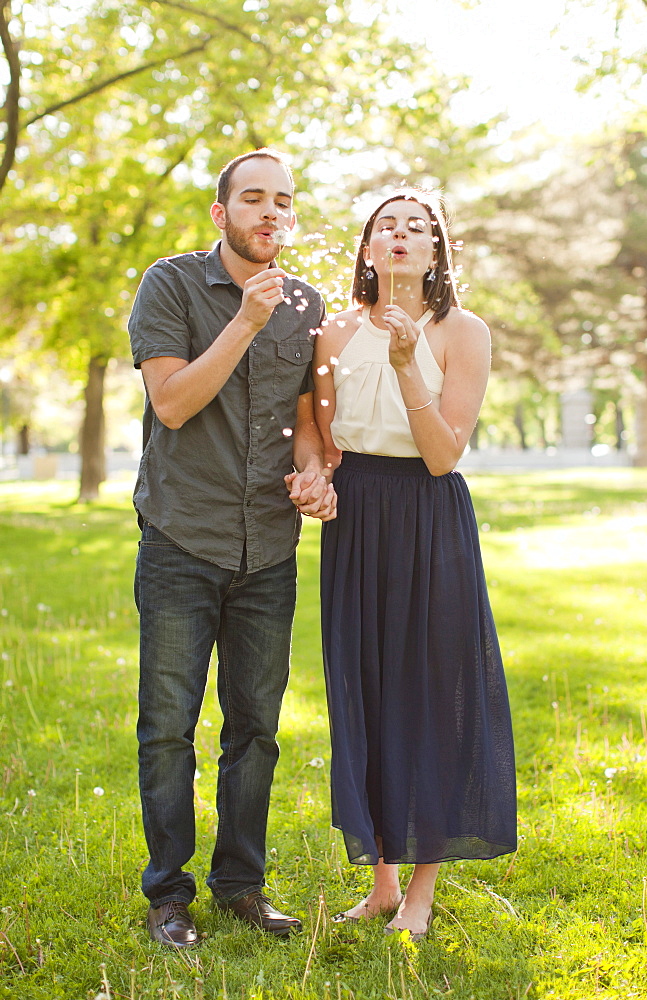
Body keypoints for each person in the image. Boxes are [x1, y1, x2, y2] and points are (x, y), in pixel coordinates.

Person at [128, 149, 336, 948]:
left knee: (255, 726)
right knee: (169, 725)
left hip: (268, 550)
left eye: (282, 200)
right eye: (253, 198)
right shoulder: (171, 285)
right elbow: (172, 403)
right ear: (222, 213)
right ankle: (168, 896)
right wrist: (246, 320)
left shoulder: (306, 303)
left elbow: (310, 428)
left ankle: (241, 886)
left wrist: (315, 477)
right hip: (182, 537)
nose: (269, 212)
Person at [307, 189, 516, 942]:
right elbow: (321, 440)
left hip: (429, 514)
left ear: (436, 254)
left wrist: (405, 366)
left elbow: (441, 454)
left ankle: (424, 888)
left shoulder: (463, 332)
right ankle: (382, 882)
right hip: (358, 519)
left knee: (431, 688)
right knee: (362, 687)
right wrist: (315, 476)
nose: (400, 235)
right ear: (367, 250)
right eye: (386, 226)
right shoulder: (330, 333)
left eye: (418, 228)